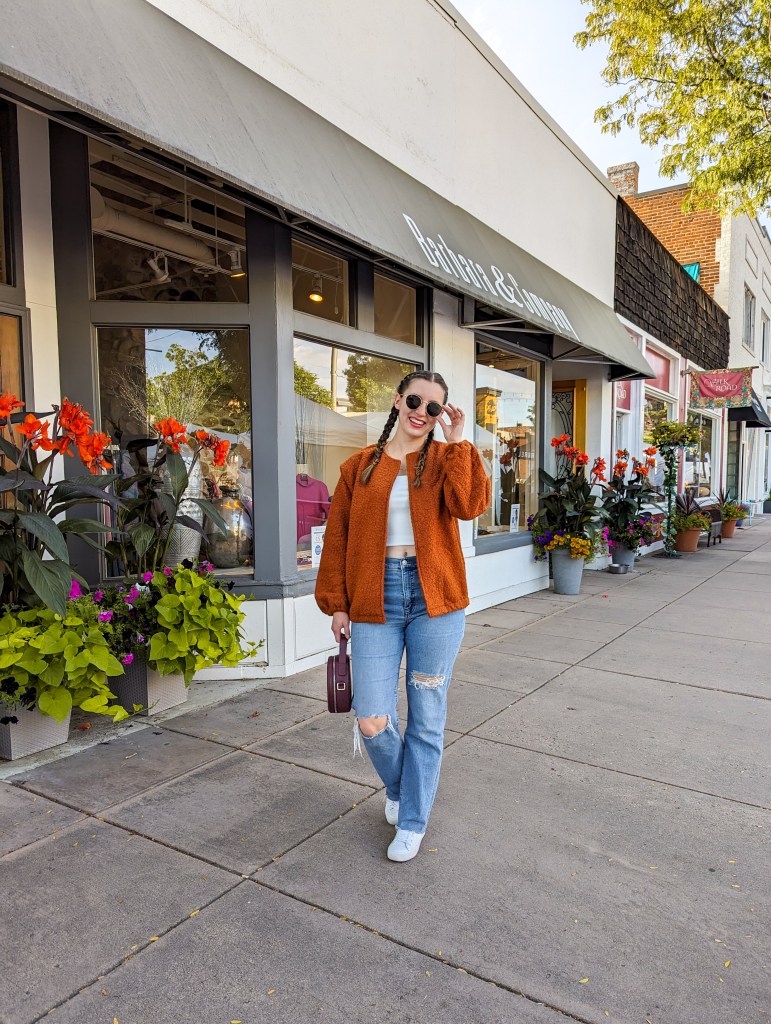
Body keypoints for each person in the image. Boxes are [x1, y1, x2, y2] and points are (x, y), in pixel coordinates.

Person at [315, 370, 490, 862]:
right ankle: (404, 786)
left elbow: (470, 504)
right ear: (398, 399)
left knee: (427, 717)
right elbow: (337, 539)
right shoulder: (358, 468)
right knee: (371, 715)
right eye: (416, 400)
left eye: (435, 408)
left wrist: (458, 444)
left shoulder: (443, 459)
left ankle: (413, 818)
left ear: (440, 416)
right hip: (375, 595)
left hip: (436, 599)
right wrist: (337, 602)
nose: (423, 412)